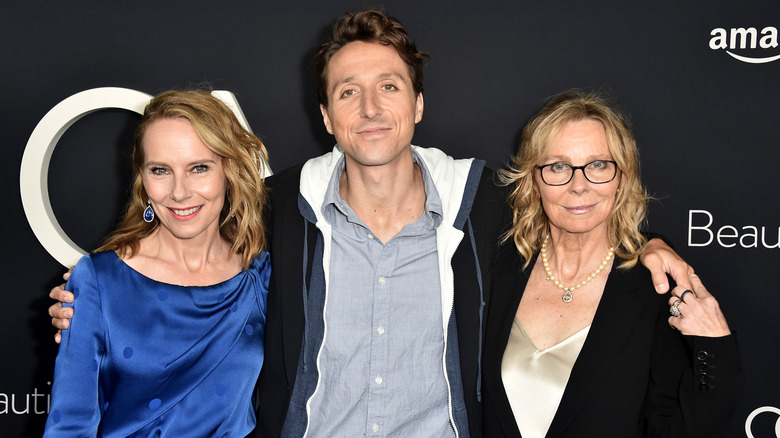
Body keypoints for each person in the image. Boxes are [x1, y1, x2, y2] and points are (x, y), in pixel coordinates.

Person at [50, 10, 695, 438]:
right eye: (347, 91)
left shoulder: (485, 208)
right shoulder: (278, 211)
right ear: (327, 117)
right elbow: (184, 238)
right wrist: (95, 302)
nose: (369, 107)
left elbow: (577, 209)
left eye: (388, 87)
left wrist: (655, 246)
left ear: (417, 104)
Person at [482, 89, 742, 437]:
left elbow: (686, 424)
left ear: (622, 177)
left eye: (598, 165)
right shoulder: (498, 263)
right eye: (558, 166)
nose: (579, 186)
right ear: (533, 178)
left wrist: (713, 343)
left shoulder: (655, 284)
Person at [43, 90, 271, 436]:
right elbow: (69, 425)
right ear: (143, 179)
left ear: (229, 171)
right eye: (161, 170)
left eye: (199, 168)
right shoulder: (99, 282)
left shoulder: (260, 277)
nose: (179, 192)